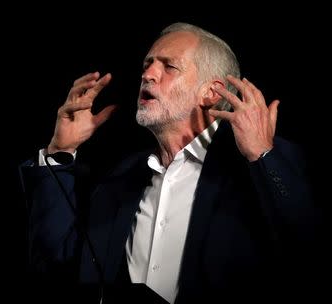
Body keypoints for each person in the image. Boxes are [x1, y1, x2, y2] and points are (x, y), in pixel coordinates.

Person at [20, 22, 319, 303]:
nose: (147, 75)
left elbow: (307, 249)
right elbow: (55, 267)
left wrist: (263, 156)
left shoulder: (260, 164)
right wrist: (60, 151)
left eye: (169, 66)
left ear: (211, 93)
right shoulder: (120, 178)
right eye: (147, 65)